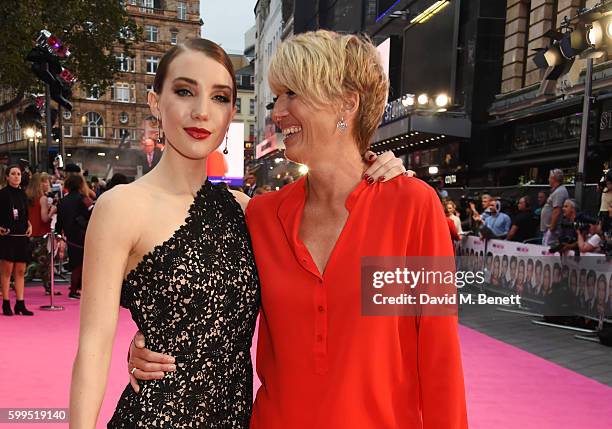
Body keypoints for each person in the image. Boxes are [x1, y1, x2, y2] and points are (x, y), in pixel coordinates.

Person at [129, 30, 466, 428]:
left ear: (348, 102)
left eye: (293, 94)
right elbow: (211, 308)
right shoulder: (262, 216)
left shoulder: (413, 207)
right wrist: (150, 344)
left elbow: (439, 355)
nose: (277, 111)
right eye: (277, 97)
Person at [69, 36, 407, 428]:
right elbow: (92, 347)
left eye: (219, 98)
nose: (200, 112)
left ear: (231, 112)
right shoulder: (121, 207)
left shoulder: (250, 211)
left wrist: (384, 170)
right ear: (154, 102)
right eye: (184, 91)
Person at [0, 166, 33, 316]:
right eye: (13, 174)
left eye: (18, 174)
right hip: (7, 237)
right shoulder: (2, 194)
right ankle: (6, 302)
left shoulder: (23, 194)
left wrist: (30, 225)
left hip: (21, 237)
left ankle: (20, 303)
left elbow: (25, 214)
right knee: (7, 270)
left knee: (20, 271)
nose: (16, 176)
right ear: (7, 177)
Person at [56, 174, 93, 300]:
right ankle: (75, 289)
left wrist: (58, 233)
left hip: (69, 235)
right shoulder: (84, 199)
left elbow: (59, 221)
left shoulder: (62, 201)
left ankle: (74, 288)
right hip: (83, 234)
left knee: (75, 263)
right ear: (80, 185)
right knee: (83, 264)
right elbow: (93, 212)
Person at [26, 172, 58, 295]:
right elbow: (44, 218)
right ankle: (49, 288)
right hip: (41, 234)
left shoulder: (28, 197)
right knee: (44, 264)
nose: (48, 184)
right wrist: (53, 211)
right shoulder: (42, 198)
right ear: (41, 183)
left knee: (33, 262)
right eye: (46, 182)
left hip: (29, 233)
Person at [540, 169, 569, 246]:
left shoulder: (559, 191)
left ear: (554, 178)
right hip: (548, 229)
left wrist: (552, 227)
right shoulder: (556, 191)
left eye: (549, 177)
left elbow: (557, 210)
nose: (548, 179)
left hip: (552, 230)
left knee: (548, 250)